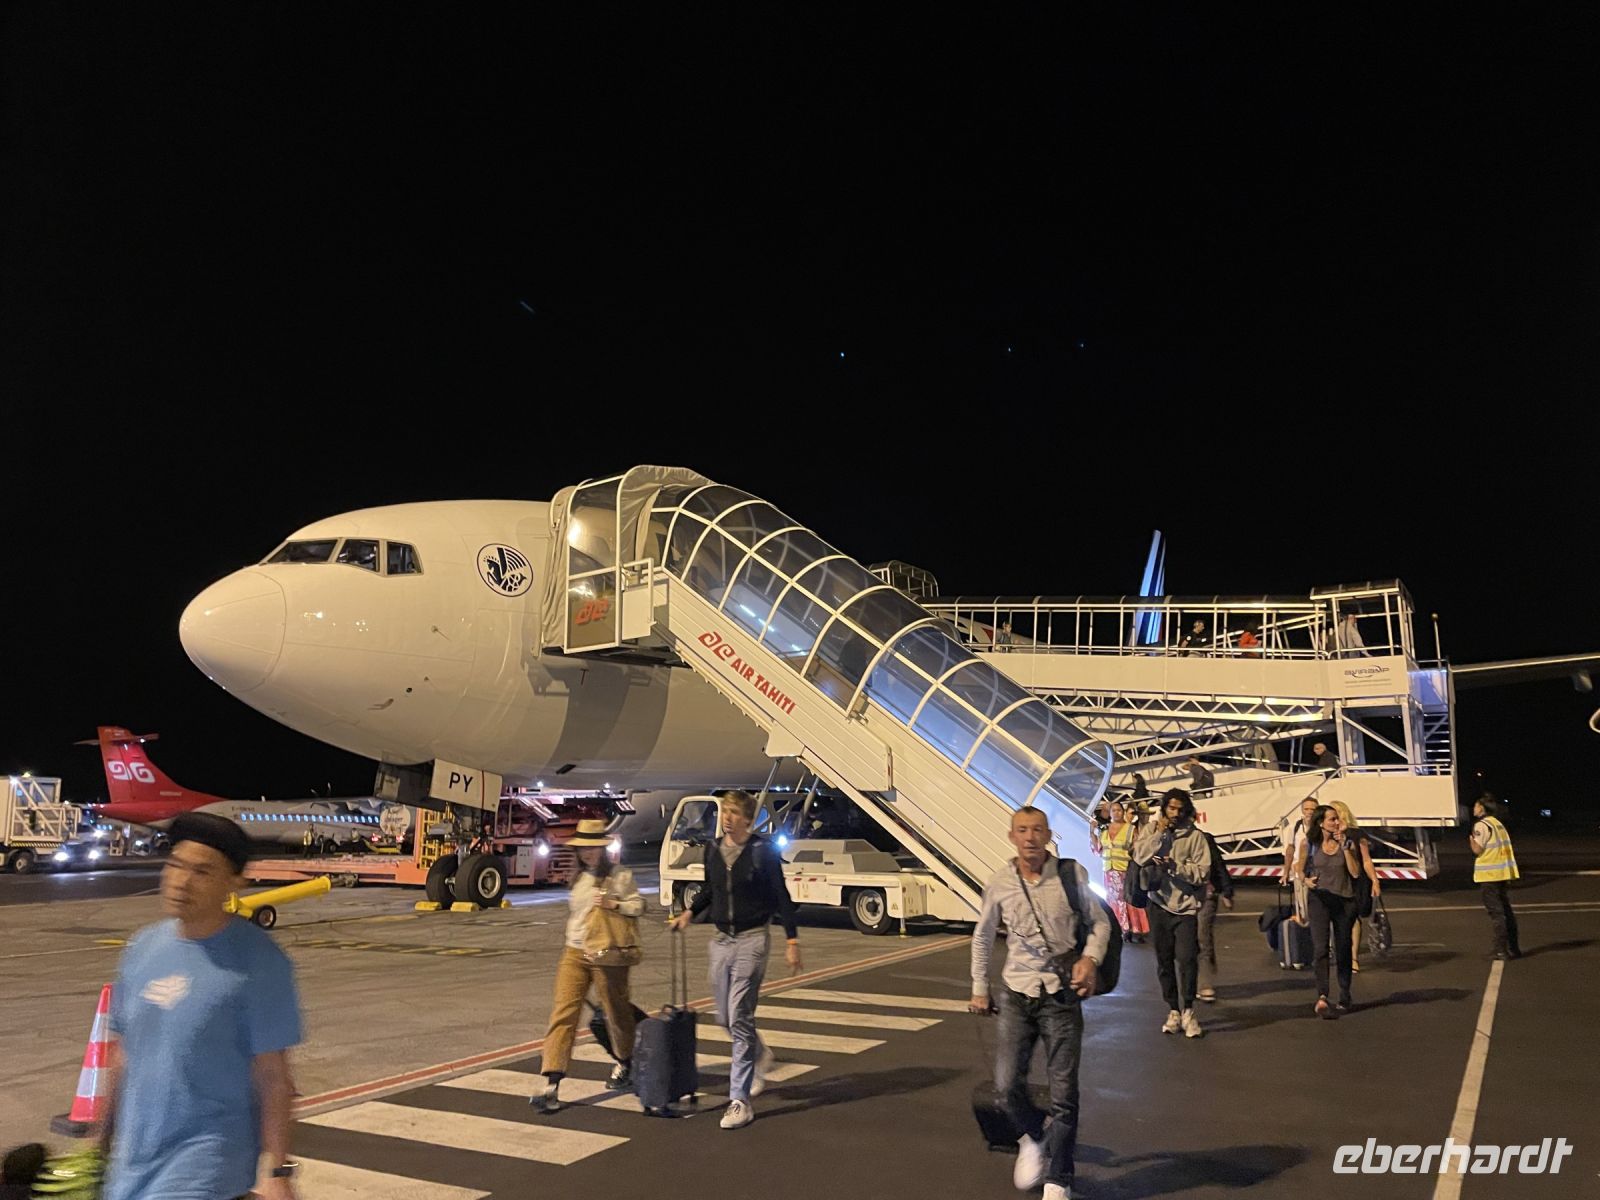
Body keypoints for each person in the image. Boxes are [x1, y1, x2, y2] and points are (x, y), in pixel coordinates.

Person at [100, 812, 303, 1200]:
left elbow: (274, 1077)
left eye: (202, 872)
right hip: (133, 1161)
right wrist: (97, 1141)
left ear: (235, 883)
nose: (181, 881)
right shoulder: (142, 948)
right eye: (175, 865)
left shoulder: (259, 962)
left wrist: (278, 1171)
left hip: (207, 1161)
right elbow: (123, 1055)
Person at [970, 806, 1109, 1200]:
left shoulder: (1071, 875)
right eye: (1022, 830)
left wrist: (1089, 958)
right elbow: (983, 935)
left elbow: (1099, 922)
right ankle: (1034, 1134)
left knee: (1064, 1094)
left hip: (1060, 996)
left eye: (1037, 830)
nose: (1030, 837)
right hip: (1016, 994)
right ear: (1011, 836)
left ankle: (1059, 1178)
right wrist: (979, 986)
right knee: (1006, 1086)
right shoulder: (999, 882)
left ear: (1048, 836)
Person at [668, 789, 801, 1130]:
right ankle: (759, 1052)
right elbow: (710, 889)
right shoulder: (713, 849)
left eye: (733, 813)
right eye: (725, 811)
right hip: (721, 941)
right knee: (724, 1017)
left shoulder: (761, 852)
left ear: (748, 820)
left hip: (752, 939)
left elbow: (782, 896)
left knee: (740, 1015)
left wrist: (792, 941)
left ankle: (739, 1101)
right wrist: (688, 913)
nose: (726, 818)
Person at [533, 818, 645, 1113]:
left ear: (603, 848)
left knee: (616, 1012)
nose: (588, 853)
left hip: (607, 954)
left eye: (593, 847)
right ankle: (551, 1083)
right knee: (563, 1012)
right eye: (583, 848)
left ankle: (625, 1062)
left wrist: (614, 904)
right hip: (575, 952)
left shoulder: (620, 875)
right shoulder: (578, 877)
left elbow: (639, 906)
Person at [1132, 789, 1213, 1038]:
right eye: (1171, 808)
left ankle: (1188, 1009)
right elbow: (1139, 856)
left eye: (1180, 809)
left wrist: (1175, 867)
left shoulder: (1196, 837)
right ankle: (1173, 1010)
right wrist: (1158, 834)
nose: (1175, 813)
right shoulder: (1151, 829)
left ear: (1187, 810)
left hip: (1186, 907)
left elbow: (1202, 872)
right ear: (1164, 808)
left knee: (1187, 959)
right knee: (1164, 960)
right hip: (1158, 904)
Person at [1298, 804, 1363, 1018]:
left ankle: (1344, 993)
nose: (1336, 822)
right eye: (1331, 819)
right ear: (1320, 823)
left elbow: (1355, 873)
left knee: (1343, 948)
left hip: (1344, 901)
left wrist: (1345, 848)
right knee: (1320, 948)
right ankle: (1322, 995)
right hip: (1320, 899)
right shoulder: (1309, 844)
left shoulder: (1347, 843)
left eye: (1337, 819)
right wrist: (1305, 880)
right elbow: (1300, 868)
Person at [1329, 801, 1379, 972]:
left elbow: (1366, 860)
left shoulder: (1357, 835)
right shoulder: (1326, 835)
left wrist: (1375, 880)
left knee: (1353, 918)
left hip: (1355, 881)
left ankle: (1353, 958)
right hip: (1334, 880)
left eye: (1336, 814)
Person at [1469, 795, 1521, 961]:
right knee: (1506, 911)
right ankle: (1513, 948)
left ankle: (1500, 950)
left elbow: (1477, 849)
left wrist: (1471, 840)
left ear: (1482, 808)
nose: (1473, 808)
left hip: (1489, 874)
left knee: (1497, 913)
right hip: (1502, 872)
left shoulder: (1481, 825)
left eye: (1476, 805)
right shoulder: (1497, 824)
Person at [1093, 800, 1148, 944]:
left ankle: (1131, 929)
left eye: (1119, 810)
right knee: (1114, 901)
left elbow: (1137, 849)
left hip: (1124, 870)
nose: (1116, 813)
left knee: (1126, 899)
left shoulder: (1130, 829)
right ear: (1110, 813)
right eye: (1114, 810)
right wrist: (1091, 832)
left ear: (1123, 812)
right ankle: (1121, 929)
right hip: (1109, 871)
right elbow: (1097, 850)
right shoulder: (1104, 830)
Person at [1195, 825, 1234, 1002]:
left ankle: (1205, 983)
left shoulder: (1205, 839)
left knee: (1203, 936)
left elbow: (1218, 865)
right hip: (1179, 898)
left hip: (1206, 895)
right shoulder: (1170, 838)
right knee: (1185, 942)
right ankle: (1190, 980)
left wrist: (1227, 892)